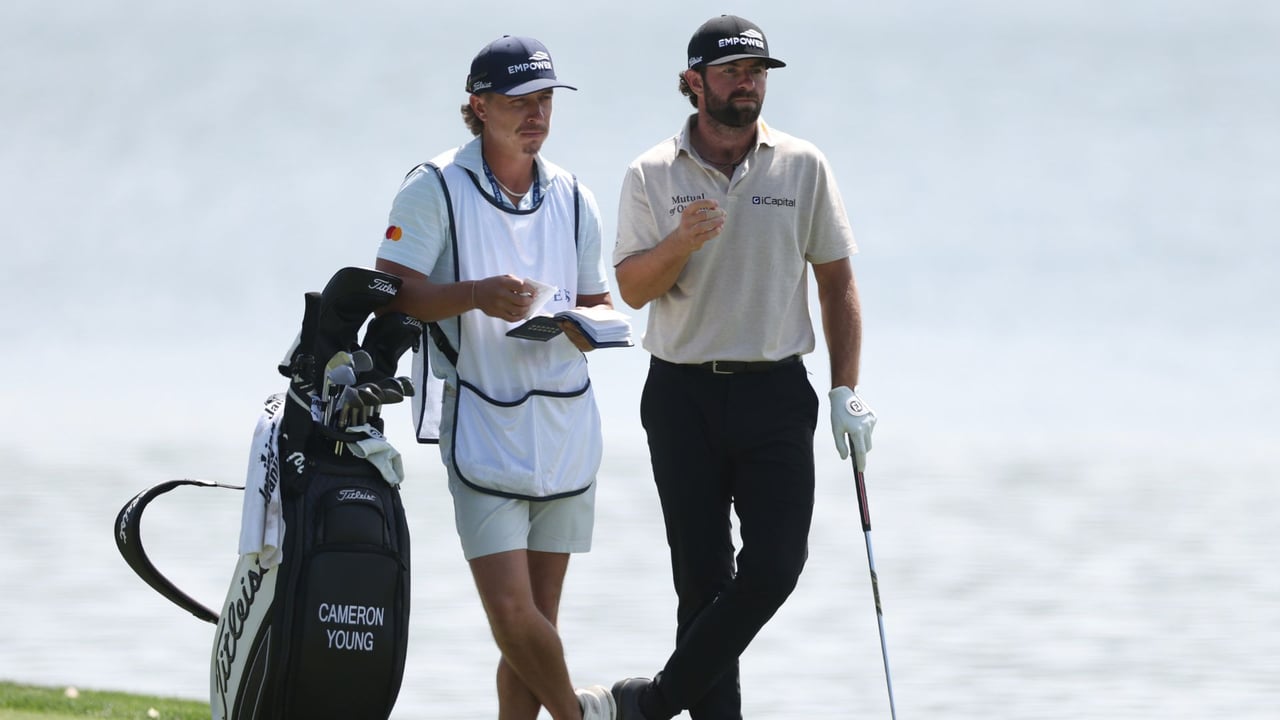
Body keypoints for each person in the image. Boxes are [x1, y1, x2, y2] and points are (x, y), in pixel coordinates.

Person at [609, 14, 878, 720]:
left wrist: (846, 389)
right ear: (694, 82)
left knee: (775, 569)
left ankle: (654, 702)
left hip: (776, 392)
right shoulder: (650, 173)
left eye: (756, 73)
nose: (747, 86)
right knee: (701, 583)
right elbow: (634, 288)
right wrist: (679, 243)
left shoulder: (802, 163)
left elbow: (837, 281)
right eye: (731, 73)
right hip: (681, 393)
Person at [373, 34, 616, 720]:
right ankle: (577, 717)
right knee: (513, 615)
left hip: (565, 425)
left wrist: (593, 324)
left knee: (537, 626)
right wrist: (476, 294)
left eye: (544, 101)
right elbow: (389, 291)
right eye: (518, 102)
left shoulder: (573, 196)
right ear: (478, 106)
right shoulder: (435, 186)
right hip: (482, 420)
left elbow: (596, 302)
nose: (536, 115)